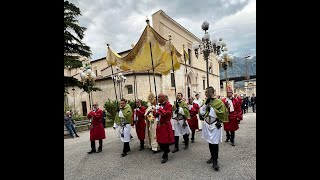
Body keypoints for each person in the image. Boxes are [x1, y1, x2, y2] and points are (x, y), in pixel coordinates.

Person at [200, 86, 228, 171]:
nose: (205, 93)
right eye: (205, 92)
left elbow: (223, 113)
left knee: (215, 143)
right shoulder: (205, 101)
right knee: (210, 141)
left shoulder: (219, 102)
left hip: (215, 124)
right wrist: (205, 106)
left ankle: (215, 161)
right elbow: (201, 112)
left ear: (211, 93)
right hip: (207, 124)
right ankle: (212, 157)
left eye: (206, 92)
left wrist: (211, 109)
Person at [156, 93, 175, 163]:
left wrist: (160, 109)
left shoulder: (169, 105)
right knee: (159, 140)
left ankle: (165, 155)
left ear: (163, 98)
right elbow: (157, 115)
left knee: (165, 140)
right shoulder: (158, 106)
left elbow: (167, 114)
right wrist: (155, 112)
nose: (157, 99)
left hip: (165, 125)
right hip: (159, 125)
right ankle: (166, 150)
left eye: (159, 97)